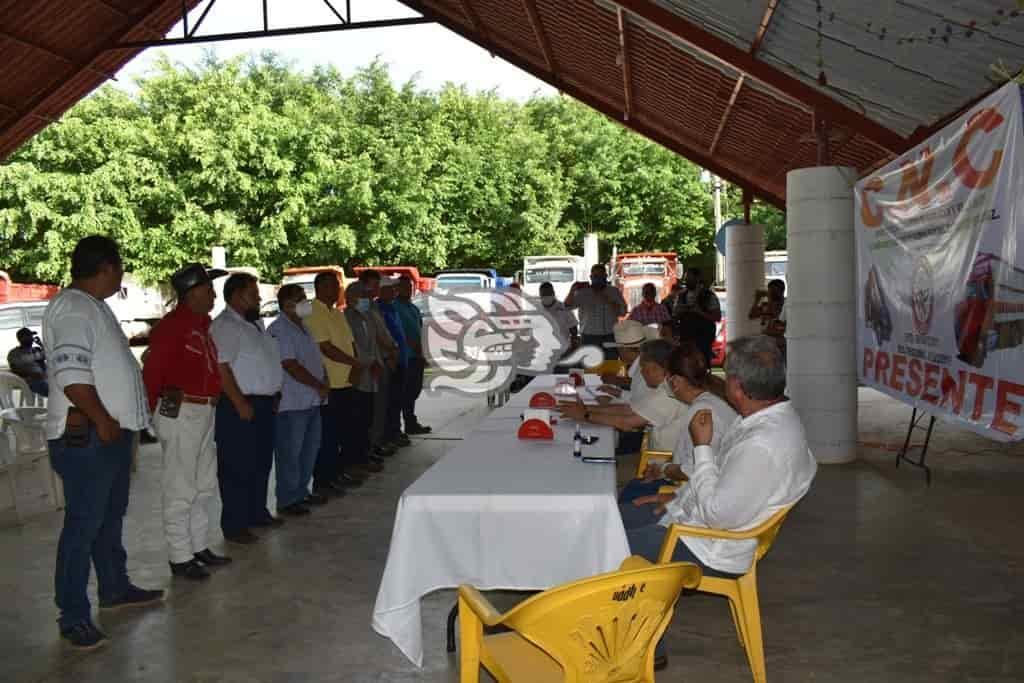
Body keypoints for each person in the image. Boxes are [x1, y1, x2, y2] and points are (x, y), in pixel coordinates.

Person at [620, 335, 817, 668]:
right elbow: (725, 485)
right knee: (613, 518)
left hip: (709, 545)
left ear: (737, 387)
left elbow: (717, 515)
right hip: (697, 523)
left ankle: (647, 647)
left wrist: (702, 446)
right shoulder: (772, 418)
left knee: (608, 544)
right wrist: (672, 496)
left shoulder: (762, 445)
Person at [42, 235, 163, 650]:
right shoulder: (73, 307)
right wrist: (103, 419)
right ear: (107, 267)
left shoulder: (92, 306)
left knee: (108, 519)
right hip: (90, 436)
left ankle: (114, 586)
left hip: (108, 433)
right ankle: (72, 613)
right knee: (83, 525)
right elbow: (71, 376)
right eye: (120, 267)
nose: (122, 274)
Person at [143, 264, 231, 582]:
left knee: (204, 485)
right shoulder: (172, 328)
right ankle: (180, 556)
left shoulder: (200, 325)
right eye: (208, 289)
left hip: (204, 411)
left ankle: (198, 546)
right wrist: (159, 413)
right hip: (182, 413)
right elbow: (152, 373)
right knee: (180, 486)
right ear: (192, 292)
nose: (213, 294)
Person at [211, 273, 284, 545]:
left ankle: (256, 512)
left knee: (260, 462)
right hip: (239, 403)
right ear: (236, 296)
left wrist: (275, 393)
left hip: (263, 403)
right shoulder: (225, 326)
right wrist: (240, 402)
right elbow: (222, 366)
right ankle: (235, 524)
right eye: (253, 294)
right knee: (236, 466)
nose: (259, 298)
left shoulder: (254, 324)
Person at [617, 342, 737, 504]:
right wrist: (663, 469)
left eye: (666, 377)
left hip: (691, 493)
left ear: (675, 382)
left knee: (627, 499)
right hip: (689, 483)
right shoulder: (709, 400)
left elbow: (693, 470)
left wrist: (664, 469)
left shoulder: (701, 412)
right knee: (631, 490)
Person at [268, 284, 330, 517]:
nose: (306, 302)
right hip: (292, 403)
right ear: (287, 305)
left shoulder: (304, 327)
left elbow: (314, 359)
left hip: (312, 400)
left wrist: (324, 380)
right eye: (300, 299)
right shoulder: (280, 329)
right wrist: (318, 384)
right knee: (290, 453)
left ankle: (302, 492)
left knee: (309, 449)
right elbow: (290, 365)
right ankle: (287, 499)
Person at [561, 339, 685, 455]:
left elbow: (626, 423)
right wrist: (585, 409)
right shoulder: (664, 386)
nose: (641, 372)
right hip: (654, 454)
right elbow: (629, 409)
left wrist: (585, 415)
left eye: (644, 369)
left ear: (658, 368)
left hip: (663, 462)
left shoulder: (666, 394)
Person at [305, 272, 361, 496]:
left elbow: (349, 342)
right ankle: (324, 480)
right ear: (320, 287)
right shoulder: (312, 311)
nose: (337, 290)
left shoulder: (337, 312)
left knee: (342, 432)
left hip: (347, 380)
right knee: (327, 436)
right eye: (332, 286)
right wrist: (354, 363)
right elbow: (325, 347)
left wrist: (355, 365)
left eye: (338, 286)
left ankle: (338, 472)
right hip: (330, 383)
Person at [343, 281, 385, 478]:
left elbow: (374, 343)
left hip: (371, 373)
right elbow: (353, 346)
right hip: (358, 373)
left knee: (368, 417)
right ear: (351, 298)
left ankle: (365, 456)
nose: (367, 299)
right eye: (363, 295)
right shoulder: (347, 318)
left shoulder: (367, 317)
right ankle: (354, 461)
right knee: (356, 421)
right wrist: (368, 362)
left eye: (368, 295)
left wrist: (377, 361)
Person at [358, 269, 400, 458]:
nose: (376, 288)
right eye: (374, 284)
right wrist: (388, 352)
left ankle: (377, 442)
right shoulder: (362, 307)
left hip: (383, 361)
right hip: (373, 363)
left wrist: (393, 349)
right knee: (373, 409)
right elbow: (373, 336)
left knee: (382, 406)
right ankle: (370, 447)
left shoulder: (373, 307)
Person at [376, 278, 412, 450]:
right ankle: (387, 435)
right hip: (390, 361)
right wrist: (391, 355)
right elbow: (381, 337)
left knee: (397, 399)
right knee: (389, 401)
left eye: (394, 289)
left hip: (402, 359)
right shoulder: (380, 309)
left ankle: (395, 432)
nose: (394, 292)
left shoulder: (392, 308)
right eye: (390, 289)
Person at [393, 275, 431, 435]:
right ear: (397, 289)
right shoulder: (395, 307)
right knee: (404, 392)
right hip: (404, 357)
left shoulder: (413, 307)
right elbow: (398, 331)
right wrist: (412, 346)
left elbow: (419, 330)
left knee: (414, 390)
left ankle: (410, 422)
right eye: (404, 287)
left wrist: (422, 352)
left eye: (410, 286)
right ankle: (399, 426)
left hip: (417, 356)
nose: (408, 290)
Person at [565, 263, 627, 359]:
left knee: (610, 366)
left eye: (600, 276)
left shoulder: (614, 291)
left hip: (610, 336)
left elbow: (623, 312)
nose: (597, 279)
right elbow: (566, 307)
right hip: (589, 338)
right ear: (590, 277)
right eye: (595, 276)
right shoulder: (583, 292)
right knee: (590, 368)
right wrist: (572, 289)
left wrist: (609, 300)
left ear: (605, 276)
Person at [672, 267, 721, 366]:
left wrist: (700, 312)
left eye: (689, 278)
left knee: (702, 363)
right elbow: (674, 314)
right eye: (686, 278)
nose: (686, 281)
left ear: (697, 278)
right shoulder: (681, 295)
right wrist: (682, 310)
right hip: (686, 337)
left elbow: (717, 317)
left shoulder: (709, 296)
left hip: (703, 339)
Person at [7, 327, 48, 396]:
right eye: (29, 336)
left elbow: (49, 356)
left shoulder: (36, 350)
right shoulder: (14, 353)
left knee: (61, 386)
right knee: (53, 391)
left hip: (45, 378)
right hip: (29, 380)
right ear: (21, 339)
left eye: (32, 336)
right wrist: (30, 375)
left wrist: (41, 344)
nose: (32, 338)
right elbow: (14, 369)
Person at [748, 278, 787, 347]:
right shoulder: (766, 305)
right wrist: (757, 300)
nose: (771, 294)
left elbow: (782, 330)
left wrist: (765, 332)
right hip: (767, 346)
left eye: (774, 291)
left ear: (781, 291)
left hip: (781, 346)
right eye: (770, 291)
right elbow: (751, 315)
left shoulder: (786, 305)